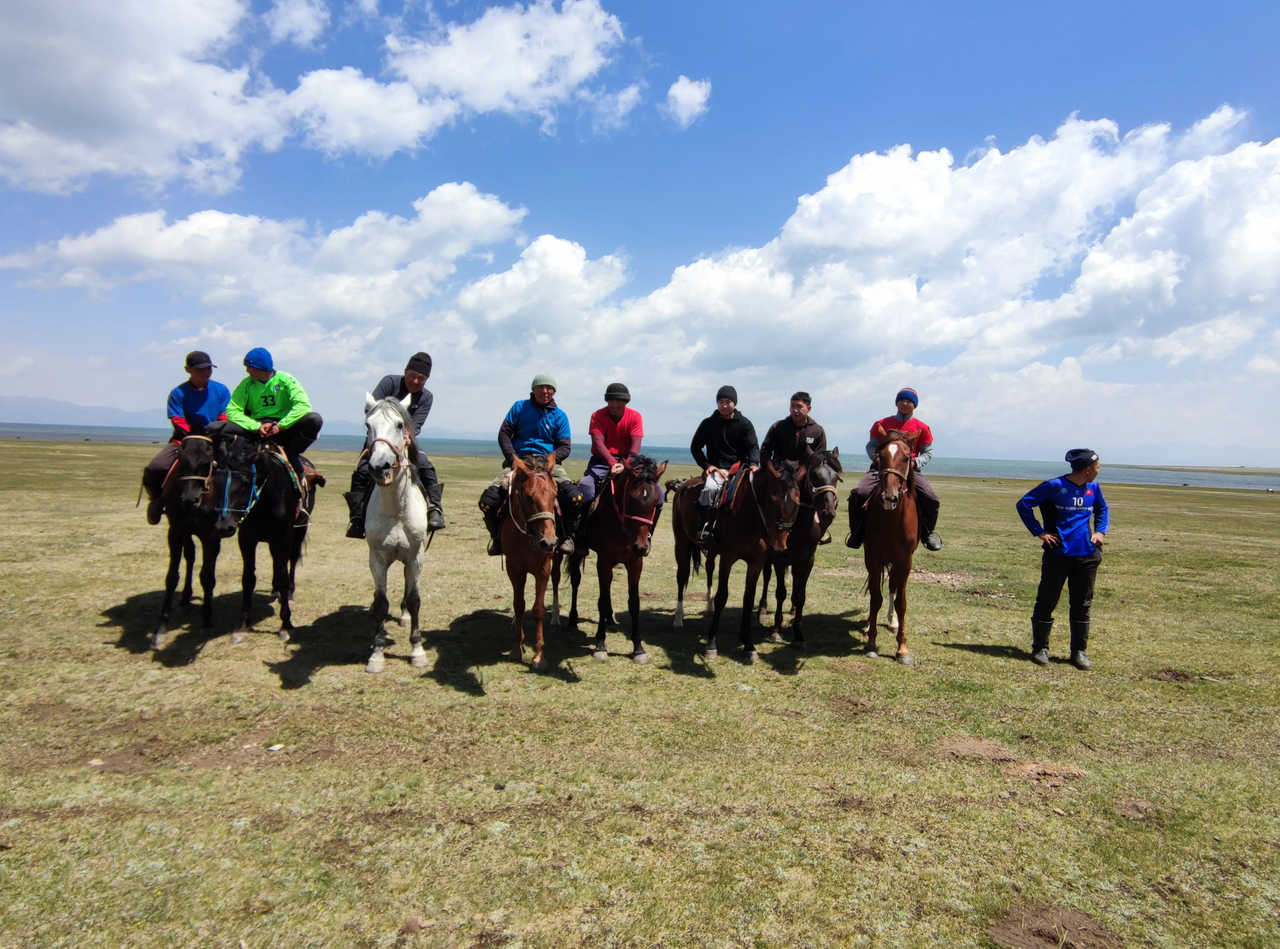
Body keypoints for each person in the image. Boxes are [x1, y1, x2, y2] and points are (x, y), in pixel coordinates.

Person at [1015, 448, 1109, 670]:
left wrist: (1100, 532)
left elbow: (1102, 510)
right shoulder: (1054, 486)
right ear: (1087, 470)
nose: (1098, 471)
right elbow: (1024, 504)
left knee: (1082, 604)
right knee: (1047, 600)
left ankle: (1079, 652)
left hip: (1087, 555)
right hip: (1058, 554)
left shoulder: (1094, 487)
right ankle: (1040, 648)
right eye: (1097, 468)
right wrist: (1040, 532)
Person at [478, 374, 582, 556]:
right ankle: (497, 539)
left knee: (574, 498)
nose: (545, 391)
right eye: (541, 387)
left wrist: (552, 460)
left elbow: (565, 446)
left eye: (549, 388)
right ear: (533, 390)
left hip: (548, 463)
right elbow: (504, 434)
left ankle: (567, 537)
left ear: (554, 391)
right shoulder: (519, 407)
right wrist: (513, 460)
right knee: (489, 500)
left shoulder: (560, 416)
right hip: (521, 461)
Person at [344, 352, 446, 538]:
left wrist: (407, 437)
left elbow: (416, 425)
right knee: (362, 471)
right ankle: (357, 519)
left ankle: (435, 509)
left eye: (421, 379)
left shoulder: (426, 397)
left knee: (425, 465)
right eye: (412, 376)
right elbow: (372, 411)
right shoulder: (389, 383)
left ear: (427, 380)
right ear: (405, 372)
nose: (415, 381)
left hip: (404, 440)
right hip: (379, 439)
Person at [845, 387, 942, 551]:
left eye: (909, 401)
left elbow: (928, 452)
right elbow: (871, 446)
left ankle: (927, 533)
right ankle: (857, 532)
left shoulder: (922, 427)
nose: (905, 403)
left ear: (914, 405)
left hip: (908, 470)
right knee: (859, 493)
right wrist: (876, 458)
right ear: (896, 402)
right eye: (902, 399)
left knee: (931, 498)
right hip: (881, 468)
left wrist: (915, 463)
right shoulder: (881, 424)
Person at [140, 350, 230, 524]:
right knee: (154, 468)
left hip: (213, 440)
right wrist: (192, 436)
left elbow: (224, 416)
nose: (205, 373)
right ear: (188, 370)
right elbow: (177, 419)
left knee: (234, 470)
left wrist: (213, 431)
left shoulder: (221, 390)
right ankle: (156, 501)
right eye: (200, 370)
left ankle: (231, 509)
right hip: (184, 440)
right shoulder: (178, 393)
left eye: (208, 369)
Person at [222, 347, 324, 477]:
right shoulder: (246, 384)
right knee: (219, 428)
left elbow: (303, 405)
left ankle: (292, 453)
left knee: (314, 420)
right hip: (256, 427)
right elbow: (232, 410)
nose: (247, 371)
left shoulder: (285, 380)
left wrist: (280, 426)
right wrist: (256, 426)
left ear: (262, 368)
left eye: (250, 367)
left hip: (284, 427)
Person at [689, 385, 760, 542]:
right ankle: (705, 526)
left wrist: (754, 464)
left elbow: (753, 446)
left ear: (734, 403)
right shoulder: (708, 424)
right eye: (721, 401)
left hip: (742, 468)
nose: (724, 405)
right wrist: (708, 466)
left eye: (728, 401)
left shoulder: (745, 424)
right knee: (710, 488)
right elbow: (695, 447)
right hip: (718, 469)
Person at [576, 382, 654, 508]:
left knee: (658, 494)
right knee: (586, 487)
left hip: (629, 462)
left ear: (625, 402)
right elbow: (598, 443)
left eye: (619, 401)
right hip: (601, 461)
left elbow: (635, 448)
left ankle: (648, 526)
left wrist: (625, 465)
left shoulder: (635, 417)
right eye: (612, 401)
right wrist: (612, 463)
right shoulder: (597, 416)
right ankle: (580, 524)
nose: (615, 405)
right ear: (607, 401)